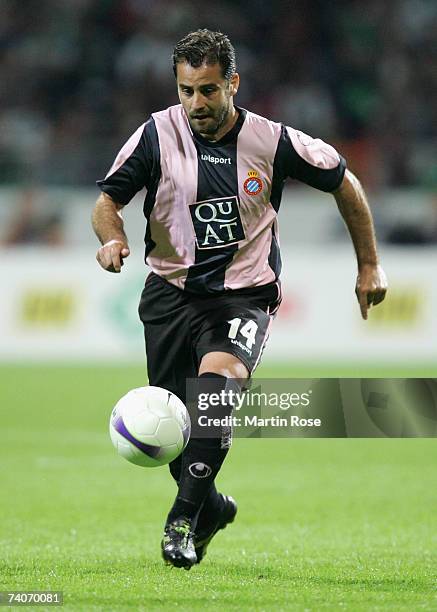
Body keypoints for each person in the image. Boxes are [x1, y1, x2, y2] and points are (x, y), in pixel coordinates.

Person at [92, 29, 388, 570]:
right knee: (176, 428)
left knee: (216, 396)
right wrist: (111, 238)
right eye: (186, 91)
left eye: (207, 90)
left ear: (233, 83)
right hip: (169, 295)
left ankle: (179, 522)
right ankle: (210, 507)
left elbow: (345, 182)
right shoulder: (155, 135)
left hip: (243, 296)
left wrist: (368, 262)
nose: (196, 104)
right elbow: (108, 200)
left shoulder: (273, 141)